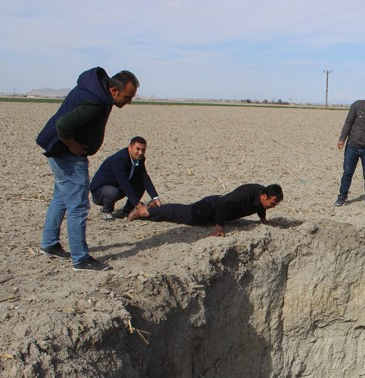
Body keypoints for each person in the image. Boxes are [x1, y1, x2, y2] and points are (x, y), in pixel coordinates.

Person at [37, 67, 139, 271]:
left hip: (59, 152)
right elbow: (63, 125)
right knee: (78, 206)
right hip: (68, 156)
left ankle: (49, 244)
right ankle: (80, 259)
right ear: (114, 91)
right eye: (128, 97)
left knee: (61, 198)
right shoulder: (95, 102)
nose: (129, 102)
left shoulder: (96, 91)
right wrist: (72, 144)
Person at [129, 183, 283, 237]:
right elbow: (224, 206)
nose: (273, 206)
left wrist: (263, 220)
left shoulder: (261, 198)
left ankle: (153, 208)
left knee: (183, 214)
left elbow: (260, 208)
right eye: (273, 203)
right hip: (211, 207)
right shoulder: (245, 194)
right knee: (186, 215)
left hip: (218, 209)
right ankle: (146, 211)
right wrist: (219, 228)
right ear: (264, 196)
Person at [90, 136, 161, 221]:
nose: (140, 153)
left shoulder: (140, 159)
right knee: (112, 192)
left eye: (143, 150)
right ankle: (106, 211)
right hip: (100, 191)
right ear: (130, 147)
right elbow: (124, 183)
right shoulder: (119, 159)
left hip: (118, 186)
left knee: (140, 183)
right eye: (137, 149)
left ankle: (128, 209)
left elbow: (144, 177)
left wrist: (155, 198)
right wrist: (139, 205)